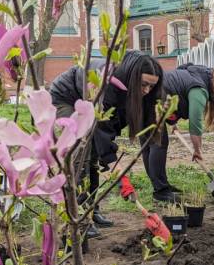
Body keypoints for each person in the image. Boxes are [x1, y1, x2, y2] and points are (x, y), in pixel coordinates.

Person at [49, 51, 164, 237]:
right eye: (143, 84)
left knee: (93, 157)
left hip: (91, 108)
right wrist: (118, 172)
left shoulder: (132, 87)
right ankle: (79, 218)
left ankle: (92, 211)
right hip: (67, 98)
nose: (147, 90)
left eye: (152, 86)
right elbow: (102, 129)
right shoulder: (110, 81)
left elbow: (110, 126)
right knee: (80, 156)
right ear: (133, 77)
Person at [142, 64, 214, 203]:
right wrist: (197, 150)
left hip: (145, 95)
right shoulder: (199, 88)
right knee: (158, 143)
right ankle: (160, 191)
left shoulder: (191, 74)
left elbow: (173, 91)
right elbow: (195, 123)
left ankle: (161, 185)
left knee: (149, 144)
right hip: (153, 98)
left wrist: (172, 122)